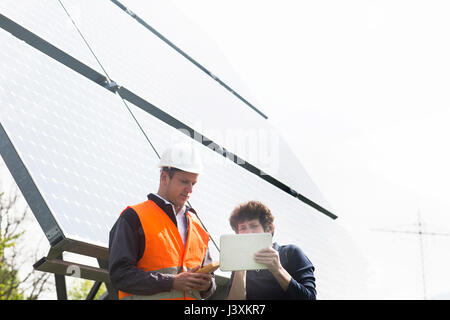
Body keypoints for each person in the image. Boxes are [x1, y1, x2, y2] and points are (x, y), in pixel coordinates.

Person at [108, 143, 216, 300]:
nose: (190, 190)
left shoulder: (198, 228)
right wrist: (171, 282)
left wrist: (207, 285)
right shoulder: (134, 217)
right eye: (184, 181)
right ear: (164, 177)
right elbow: (120, 275)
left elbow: (211, 284)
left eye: (193, 183)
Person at [226, 201, 316, 300]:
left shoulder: (291, 253)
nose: (248, 232)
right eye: (243, 228)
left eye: (253, 226)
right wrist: (240, 270)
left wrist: (277, 269)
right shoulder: (239, 266)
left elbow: (310, 298)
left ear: (269, 228)